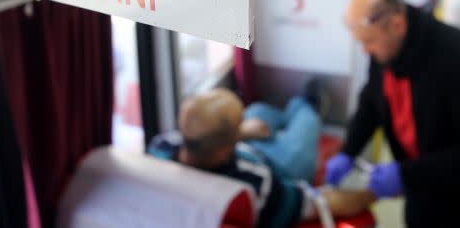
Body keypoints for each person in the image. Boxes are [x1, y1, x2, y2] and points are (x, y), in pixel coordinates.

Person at [325, 0, 460, 228]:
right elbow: (371, 104)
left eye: (369, 41)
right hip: (424, 181)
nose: (365, 50)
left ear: (397, 25)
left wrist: (405, 175)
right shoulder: (384, 52)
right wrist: (348, 151)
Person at [148, 87, 375, 228]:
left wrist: (242, 132)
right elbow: (320, 203)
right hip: (282, 165)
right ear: (226, 146)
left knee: (257, 113)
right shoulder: (255, 186)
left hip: (242, 148)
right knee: (306, 120)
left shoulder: (160, 147)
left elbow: (207, 142)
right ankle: (306, 104)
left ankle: (281, 118)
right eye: (239, 126)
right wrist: (374, 193)